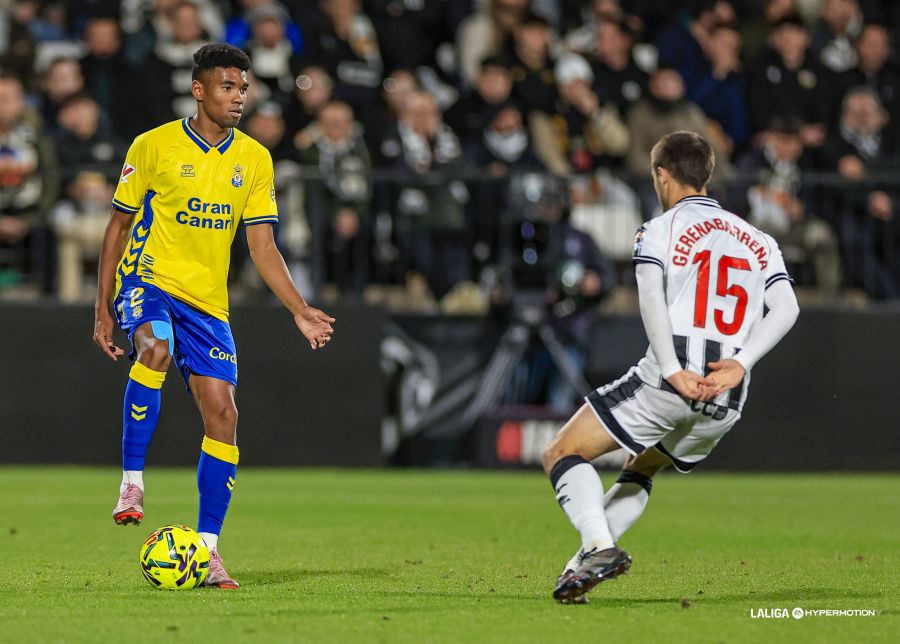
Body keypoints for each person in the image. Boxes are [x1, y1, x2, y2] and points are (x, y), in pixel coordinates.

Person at [92, 43, 335, 589]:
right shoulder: (152, 146)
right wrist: (103, 306)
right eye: (228, 87)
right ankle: (132, 482)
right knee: (154, 347)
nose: (239, 97)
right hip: (149, 280)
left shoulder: (254, 158)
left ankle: (207, 551)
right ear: (199, 90)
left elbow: (264, 247)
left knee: (223, 415)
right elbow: (118, 225)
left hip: (207, 303)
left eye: (244, 88)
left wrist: (299, 309)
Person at [541, 131, 799, 603]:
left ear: (662, 175)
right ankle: (580, 571)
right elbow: (787, 309)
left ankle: (599, 547)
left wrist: (671, 367)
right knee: (644, 466)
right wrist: (740, 363)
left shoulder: (660, 228)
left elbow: (650, 300)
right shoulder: (760, 241)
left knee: (561, 453)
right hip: (726, 395)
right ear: (708, 174)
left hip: (672, 379)